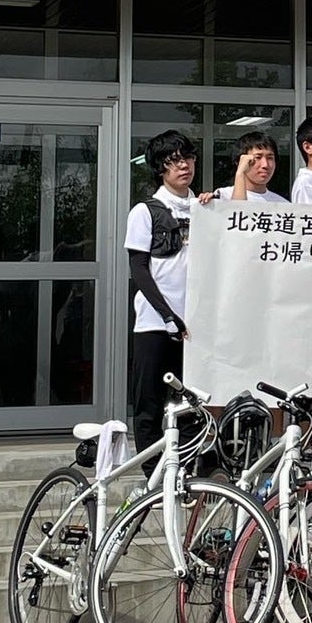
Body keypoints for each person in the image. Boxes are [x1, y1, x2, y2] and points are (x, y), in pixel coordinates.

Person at [124, 129, 197, 473]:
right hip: (155, 324)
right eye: (173, 161)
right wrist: (168, 315)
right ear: (159, 168)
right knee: (149, 405)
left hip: (195, 327)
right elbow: (139, 269)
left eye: (187, 158)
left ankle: (188, 476)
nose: (183, 166)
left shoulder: (204, 207)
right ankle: (152, 479)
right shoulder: (145, 211)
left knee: (192, 406)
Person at [213, 130, 288, 203]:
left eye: (270, 158)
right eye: (258, 157)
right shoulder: (223, 196)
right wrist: (240, 172)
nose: (265, 165)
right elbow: (238, 210)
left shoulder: (283, 204)